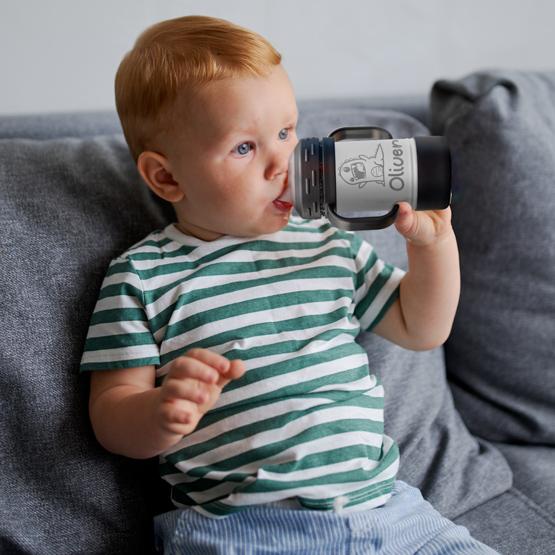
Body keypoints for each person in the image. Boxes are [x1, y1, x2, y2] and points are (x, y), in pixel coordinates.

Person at [80, 15, 498, 554]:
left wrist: (433, 245)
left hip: (389, 514)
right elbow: (111, 413)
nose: (284, 161)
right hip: (245, 531)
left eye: (285, 131)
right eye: (244, 148)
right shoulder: (143, 275)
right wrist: (162, 412)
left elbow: (422, 327)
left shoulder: (327, 243)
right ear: (166, 177)